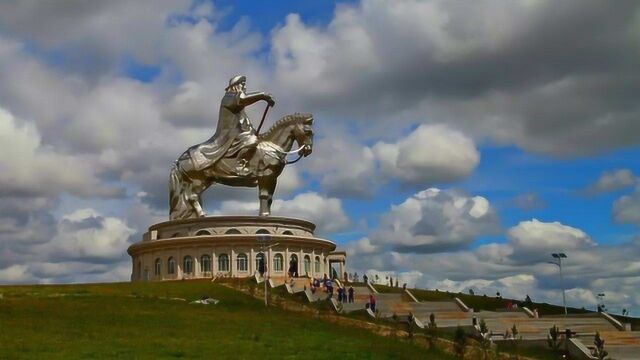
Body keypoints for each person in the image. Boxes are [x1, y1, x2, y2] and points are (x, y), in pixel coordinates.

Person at [187, 75, 275, 176]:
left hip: (240, 133)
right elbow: (242, 99)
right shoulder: (229, 97)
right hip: (230, 135)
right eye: (242, 84)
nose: (244, 87)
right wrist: (262, 95)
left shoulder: (235, 99)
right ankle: (240, 165)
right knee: (252, 141)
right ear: (236, 86)